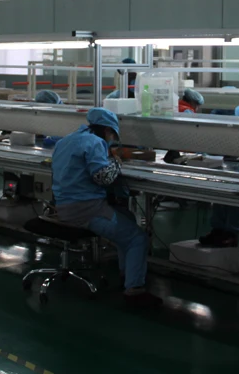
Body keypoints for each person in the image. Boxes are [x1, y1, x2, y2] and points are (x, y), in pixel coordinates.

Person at [51, 108, 161, 308]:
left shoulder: (65, 141)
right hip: (86, 210)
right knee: (138, 238)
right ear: (107, 130)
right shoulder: (94, 142)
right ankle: (134, 290)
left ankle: (127, 274)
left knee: (127, 218)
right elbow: (103, 178)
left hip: (64, 206)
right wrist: (117, 162)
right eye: (112, 135)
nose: (111, 140)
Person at [200, 103, 239, 248]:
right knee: (220, 194)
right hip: (231, 171)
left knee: (235, 198)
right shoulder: (233, 131)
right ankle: (218, 230)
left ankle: (231, 234)